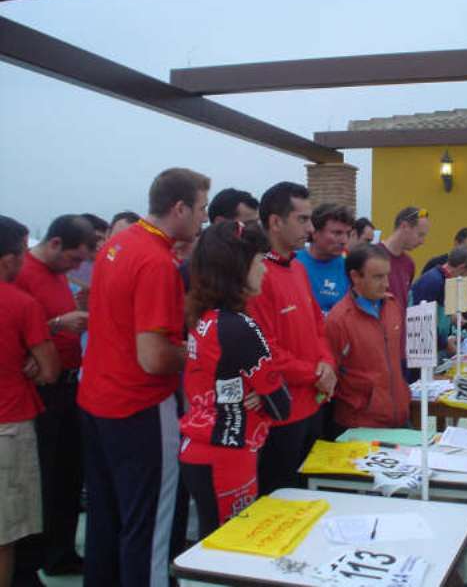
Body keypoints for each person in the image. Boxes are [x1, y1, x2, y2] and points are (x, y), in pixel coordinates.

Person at [78, 168, 209, 587]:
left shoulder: (116, 245)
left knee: (106, 518)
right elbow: (153, 357)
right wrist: (199, 353)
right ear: (179, 208)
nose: (204, 219)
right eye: (201, 209)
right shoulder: (156, 262)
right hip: (140, 406)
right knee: (150, 526)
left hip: (97, 401)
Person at [180, 221, 291, 538]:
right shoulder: (240, 326)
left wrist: (254, 390)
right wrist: (262, 392)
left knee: (212, 540)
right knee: (230, 545)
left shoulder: (205, 316)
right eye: (259, 262)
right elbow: (281, 405)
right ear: (238, 268)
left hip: (200, 445)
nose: (265, 271)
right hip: (228, 451)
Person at [13, 214, 94, 579]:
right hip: (42, 387)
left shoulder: (59, 272)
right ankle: (36, 556)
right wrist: (58, 325)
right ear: (56, 243)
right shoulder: (23, 273)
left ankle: (60, 553)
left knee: (68, 473)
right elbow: (14, 327)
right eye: (74, 259)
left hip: (69, 383)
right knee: (44, 475)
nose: (76, 268)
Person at [247, 182, 336, 495]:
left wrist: (327, 363)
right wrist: (315, 372)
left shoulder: (297, 269)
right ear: (275, 222)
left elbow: (318, 327)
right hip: (281, 416)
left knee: (311, 497)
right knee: (281, 499)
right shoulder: (257, 275)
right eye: (302, 220)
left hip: (314, 404)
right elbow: (264, 350)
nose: (310, 229)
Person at [0, 216, 60, 587]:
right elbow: (50, 370)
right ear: (9, 259)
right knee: (4, 534)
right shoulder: (21, 304)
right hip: (8, 425)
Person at [325, 244, 410, 433]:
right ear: (355, 276)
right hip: (359, 423)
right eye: (378, 277)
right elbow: (331, 374)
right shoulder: (339, 320)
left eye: (387, 275)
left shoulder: (392, 306)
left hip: (398, 414)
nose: (386, 284)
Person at [411, 244, 467, 358]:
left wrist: (452, 317)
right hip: (423, 352)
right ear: (462, 268)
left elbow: (442, 313)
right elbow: (422, 323)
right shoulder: (433, 281)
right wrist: (445, 343)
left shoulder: (445, 280)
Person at [296, 203, 354, 315]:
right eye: (337, 233)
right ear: (314, 232)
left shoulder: (350, 267)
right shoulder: (292, 263)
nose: (344, 240)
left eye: (348, 233)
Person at [379, 206, 430, 313]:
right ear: (404, 226)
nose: (422, 241)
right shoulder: (373, 257)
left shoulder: (409, 264)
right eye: (420, 234)